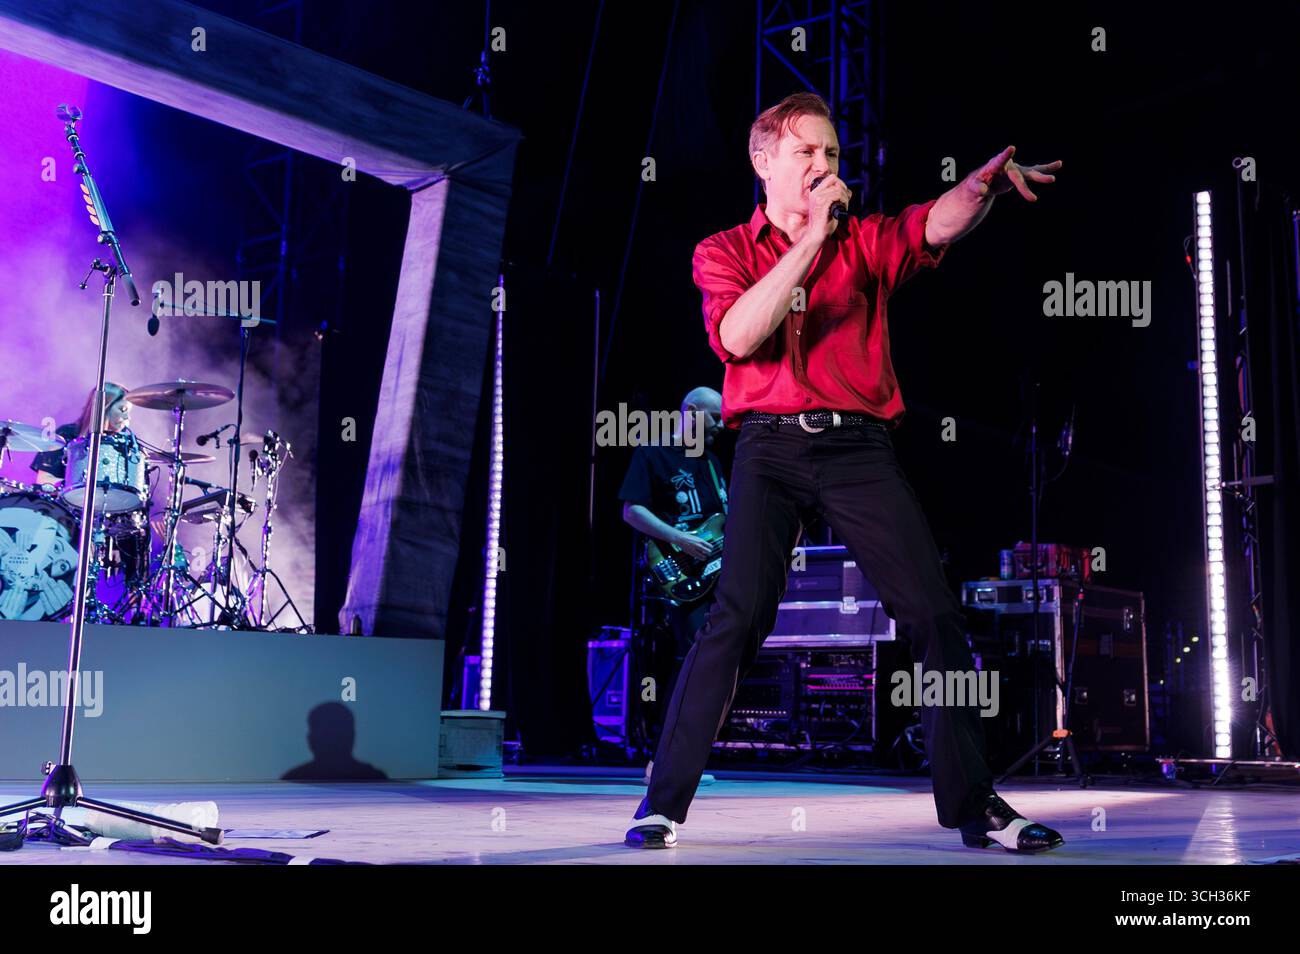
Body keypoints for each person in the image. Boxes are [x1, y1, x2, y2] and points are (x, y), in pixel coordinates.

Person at [624, 92, 1065, 853]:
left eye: (832, 154)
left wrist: (982, 187)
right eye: (807, 153)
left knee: (934, 614)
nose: (825, 167)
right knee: (735, 621)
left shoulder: (865, 241)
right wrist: (810, 241)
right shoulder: (724, 250)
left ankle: (976, 806)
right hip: (767, 444)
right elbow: (736, 335)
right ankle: (662, 805)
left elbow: (933, 222)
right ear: (764, 163)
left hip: (858, 448)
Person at [618, 387, 728, 774]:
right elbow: (632, 512)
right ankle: (662, 759)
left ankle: (685, 758)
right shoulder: (652, 454)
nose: (721, 425)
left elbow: (722, 522)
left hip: (714, 578)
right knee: (685, 664)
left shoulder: (712, 463)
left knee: (706, 666)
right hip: (677, 576)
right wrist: (680, 539)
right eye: (714, 417)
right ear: (692, 412)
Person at [31, 382, 133, 485]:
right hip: (67, 500)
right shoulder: (66, 434)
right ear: (104, 407)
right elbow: (44, 480)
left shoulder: (127, 445)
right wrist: (77, 488)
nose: (128, 417)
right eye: (123, 410)